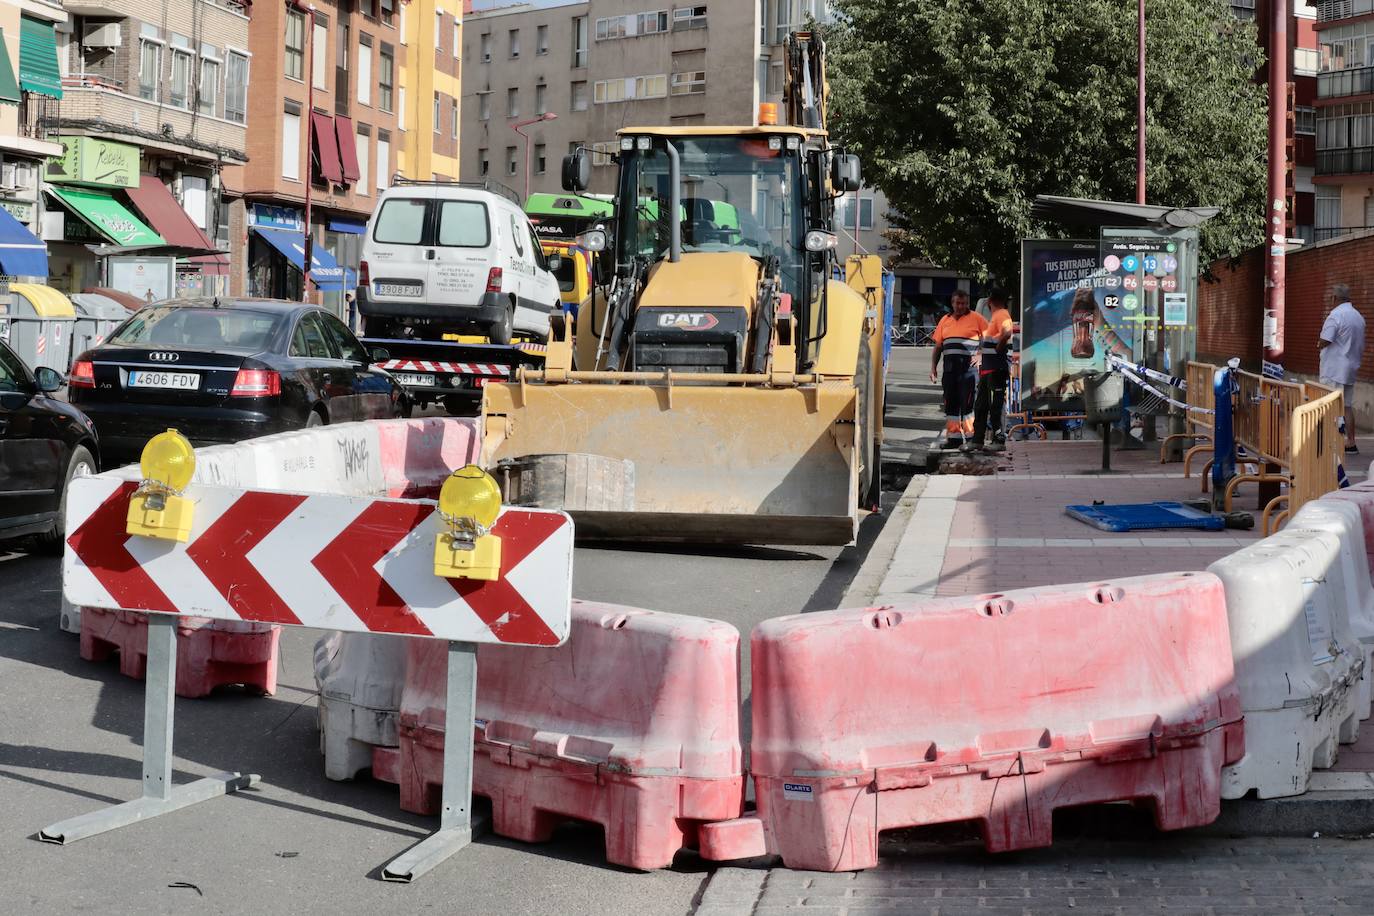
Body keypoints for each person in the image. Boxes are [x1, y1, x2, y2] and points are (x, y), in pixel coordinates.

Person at [930, 290, 988, 449]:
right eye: (957, 303)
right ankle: (954, 438)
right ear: (952, 303)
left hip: (968, 372)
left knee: (968, 404)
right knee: (951, 404)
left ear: (967, 304)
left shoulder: (977, 318)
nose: (960, 306)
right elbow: (938, 347)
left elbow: (990, 340)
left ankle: (970, 438)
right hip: (950, 371)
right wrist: (933, 367)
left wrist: (981, 355)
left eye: (963, 303)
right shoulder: (945, 320)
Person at [1319, 282, 1366, 453]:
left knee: (1329, 405)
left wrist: (1319, 343)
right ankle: (1351, 442)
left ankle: (1330, 441)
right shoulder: (1358, 316)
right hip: (1351, 367)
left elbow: (1326, 339)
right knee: (1346, 406)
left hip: (1334, 368)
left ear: (1334, 298)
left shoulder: (1335, 315)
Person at [973, 289, 1015, 449]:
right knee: (981, 404)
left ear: (990, 300)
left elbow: (1007, 333)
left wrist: (998, 348)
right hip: (988, 368)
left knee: (995, 405)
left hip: (996, 368)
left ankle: (998, 439)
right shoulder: (997, 316)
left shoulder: (1002, 314)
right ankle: (977, 439)